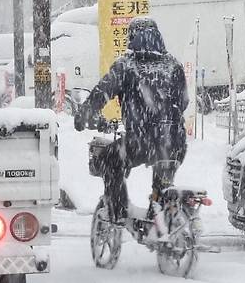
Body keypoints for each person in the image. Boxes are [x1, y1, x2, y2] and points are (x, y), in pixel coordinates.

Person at [74, 17, 189, 224]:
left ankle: (118, 212)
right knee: (163, 186)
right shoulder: (173, 65)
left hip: (142, 142)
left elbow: (102, 93)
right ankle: (161, 218)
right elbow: (184, 102)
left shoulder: (126, 66)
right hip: (175, 143)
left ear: (131, 38)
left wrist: (85, 115)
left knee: (110, 160)